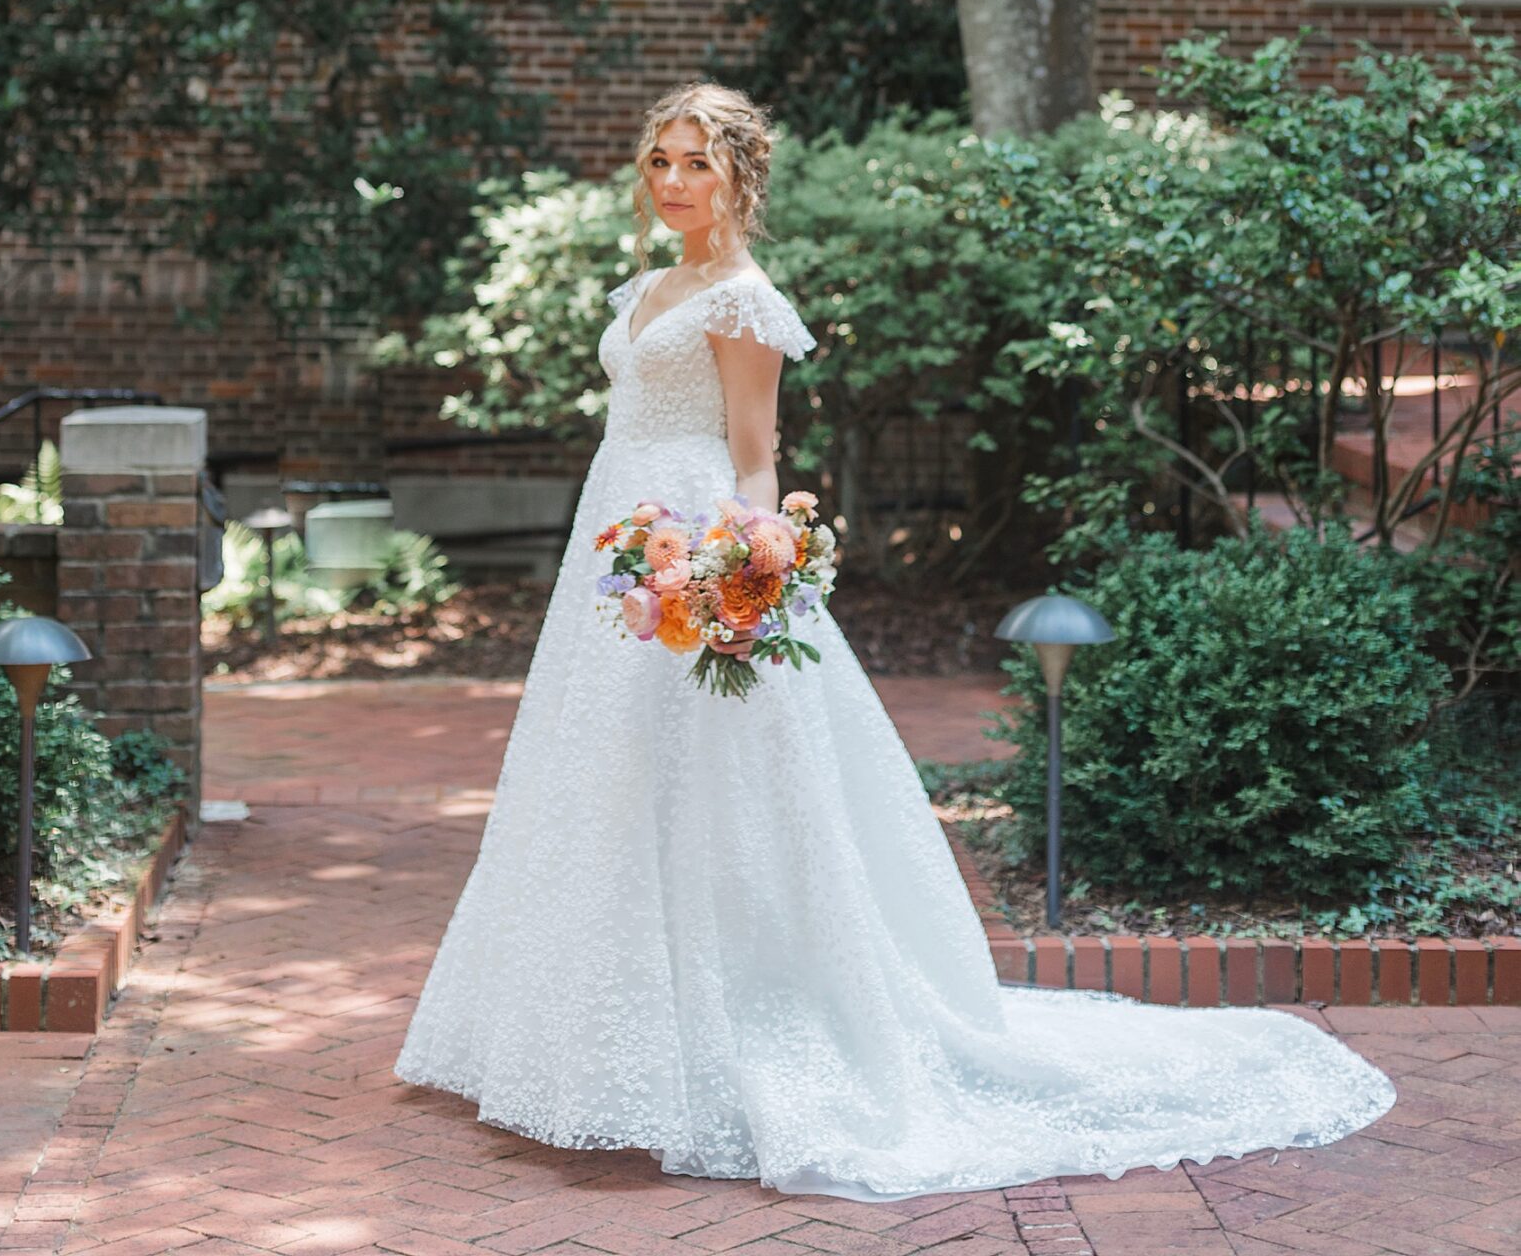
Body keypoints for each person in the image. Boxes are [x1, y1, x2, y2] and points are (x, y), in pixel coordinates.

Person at [396, 80, 1393, 1199]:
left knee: (688, 776)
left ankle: (717, 1030)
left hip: (689, 540)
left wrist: (739, 566)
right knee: (600, 774)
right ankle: (565, 1040)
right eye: (658, 162)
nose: (670, 182)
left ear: (738, 176)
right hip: (613, 539)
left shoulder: (740, 299)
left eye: (694, 164)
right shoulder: (650, 283)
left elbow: (755, 450)